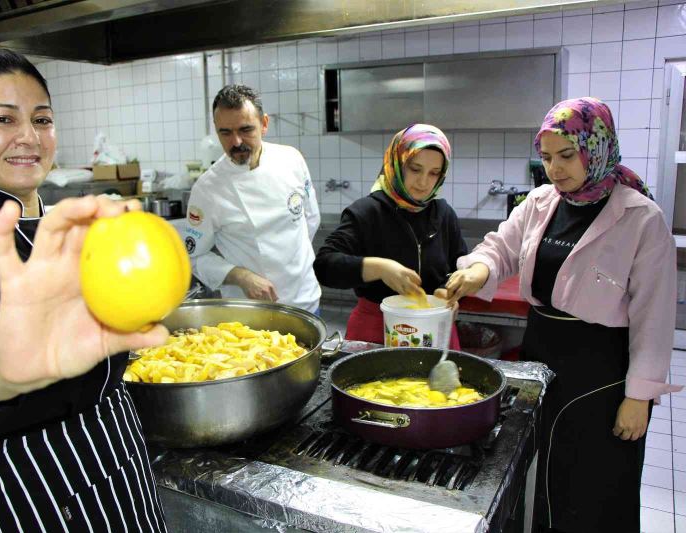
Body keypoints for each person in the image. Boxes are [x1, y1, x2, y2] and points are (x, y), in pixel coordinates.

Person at [0, 47, 170, 532]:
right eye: (3, 119)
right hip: (39, 502)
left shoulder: (63, 235)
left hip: (126, 476)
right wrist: (0, 363)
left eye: (41, 119)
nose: (28, 137)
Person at [445, 97, 679, 533]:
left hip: (601, 371)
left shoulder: (641, 218)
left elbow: (655, 316)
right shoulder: (541, 201)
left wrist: (639, 397)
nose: (555, 169)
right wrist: (479, 269)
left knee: (591, 481)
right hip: (542, 352)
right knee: (533, 470)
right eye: (547, 158)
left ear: (597, 147)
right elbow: (502, 247)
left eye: (567, 156)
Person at [314, 124, 467, 345]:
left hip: (434, 329)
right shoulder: (367, 212)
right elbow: (325, 266)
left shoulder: (443, 214)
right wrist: (380, 268)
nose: (423, 182)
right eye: (415, 169)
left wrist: (447, 293)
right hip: (376, 328)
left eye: (434, 173)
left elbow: (459, 267)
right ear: (396, 163)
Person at [184, 84, 321, 313]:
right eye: (225, 133)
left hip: (305, 299)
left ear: (264, 124)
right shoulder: (208, 189)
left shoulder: (291, 159)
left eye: (245, 129)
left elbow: (310, 219)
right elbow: (193, 256)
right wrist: (241, 276)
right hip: (251, 312)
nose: (236, 142)